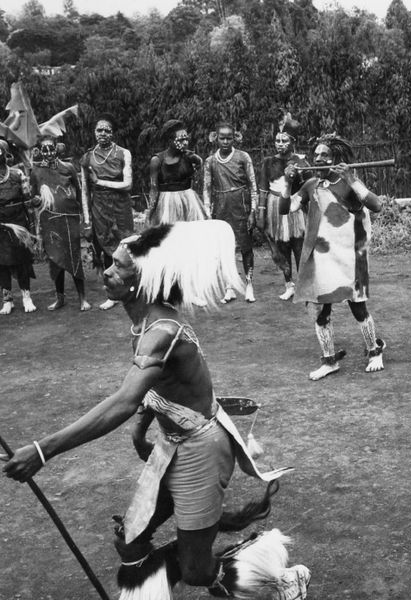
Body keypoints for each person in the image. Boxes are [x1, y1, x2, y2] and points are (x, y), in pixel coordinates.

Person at [2, 219, 310, 600]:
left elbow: (125, 400)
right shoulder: (145, 324)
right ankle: (184, 558)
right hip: (171, 446)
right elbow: (155, 393)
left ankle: (281, 575)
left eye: (118, 267)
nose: (108, 272)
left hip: (200, 452)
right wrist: (140, 433)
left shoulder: (161, 331)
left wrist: (42, 449)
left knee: (197, 571)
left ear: (142, 281)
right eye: (110, 263)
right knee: (130, 542)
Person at [279, 134, 386, 380]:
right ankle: (329, 360)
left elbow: (376, 205)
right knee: (320, 309)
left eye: (324, 155)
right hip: (321, 256)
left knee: (357, 306)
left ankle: (374, 351)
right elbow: (286, 209)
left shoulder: (348, 182)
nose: (318, 158)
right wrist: (287, 182)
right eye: (316, 155)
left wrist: (353, 179)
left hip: (349, 254)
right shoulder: (311, 185)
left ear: (336, 158)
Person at [30, 135, 91, 312]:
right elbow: (33, 197)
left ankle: (82, 298)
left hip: (69, 219)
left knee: (74, 258)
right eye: (44, 149)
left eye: (51, 148)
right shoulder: (36, 172)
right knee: (55, 260)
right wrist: (35, 200)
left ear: (57, 148)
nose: (48, 152)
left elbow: (80, 194)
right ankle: (60, 298)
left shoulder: (69, 167)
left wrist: (84, 219)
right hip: (49, 222)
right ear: (39, 151)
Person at [81, 114, 134, 310]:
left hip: (121, 205)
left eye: (107, 130)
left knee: (126, 245)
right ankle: (112, 293)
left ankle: (131, 287)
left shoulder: (123, 153)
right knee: (104, 249)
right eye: (99, 130)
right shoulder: (87, 157)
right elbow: (85, 190)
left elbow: (128, 185)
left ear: (113, 133)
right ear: (94, 132)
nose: (103, 133)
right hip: (99, 207)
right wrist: (87, 220)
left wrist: (100, 181)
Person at [203, 122, 258, 304]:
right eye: (222, 138)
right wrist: (207, 211)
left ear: (235, 138)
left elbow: (252, 185)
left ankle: (249, 284)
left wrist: (253, 211)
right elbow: (207, 188)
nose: (225, 141)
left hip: (240, 205)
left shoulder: (243, 157)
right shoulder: (210, 161)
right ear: (215, 138)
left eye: (229, 138)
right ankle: (229, 286)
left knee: (245, 247)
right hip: (221, 207)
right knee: (224, 249)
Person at [257, 113, 310, 300]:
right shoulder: (268, 162)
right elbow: (263, 188)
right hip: (274, 207)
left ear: (292, 141)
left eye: (284, 140)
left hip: (294, 206)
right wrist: (261, 211)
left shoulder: (300, 161)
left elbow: (309, 186)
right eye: (277, 140)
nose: (279, 143)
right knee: (281, 246)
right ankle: (289, 284)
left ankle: (305, 284)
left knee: (299, 245)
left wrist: (298, 175)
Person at [147, 119, 209, 225]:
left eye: (186, 139)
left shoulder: (191, 158)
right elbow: (154, 189)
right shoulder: (157, 160)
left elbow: (198, 179)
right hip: (167, 203)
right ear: (170, 141)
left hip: (190, 202)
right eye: (180, 140)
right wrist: (150, 213)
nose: (185, 143)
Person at [0, 138, 37, 315]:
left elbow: (28, 200)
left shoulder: (17, 174)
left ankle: (26, 296)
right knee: (2, 263)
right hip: (0, 225)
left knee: (22, 260)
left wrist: (31, 225)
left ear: (5, 154)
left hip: (19, 223)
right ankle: (7, 299)